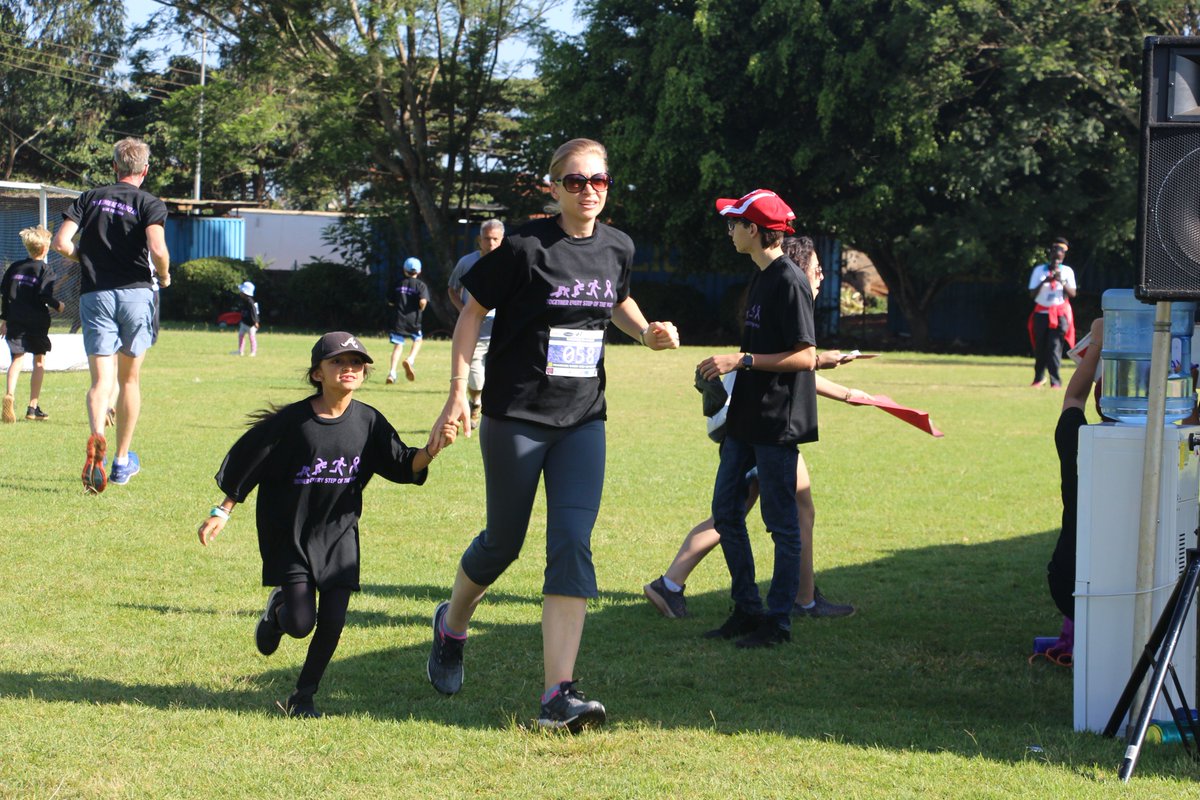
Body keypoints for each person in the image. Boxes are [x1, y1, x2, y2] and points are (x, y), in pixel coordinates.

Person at [424, 138, 679, 732]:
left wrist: (646, 333)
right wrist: (459, 391)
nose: (588, 190)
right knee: (502, 544)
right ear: (553, 186)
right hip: (517, 416)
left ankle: (556, 694)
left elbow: (616, 299)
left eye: (598, 181)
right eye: (575, 180)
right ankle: (452, 623)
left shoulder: (619, 246)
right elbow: (469, 313)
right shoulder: (524, 246)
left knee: (571, 542)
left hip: (584, 418)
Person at [197, 332, 457, 718]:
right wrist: (223, 510)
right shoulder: (292, 422)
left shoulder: (369, 422)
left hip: (339, 536)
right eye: (338, 362)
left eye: (356, 363)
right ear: (317, 373)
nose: (349, 369)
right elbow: (250, 460)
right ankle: (278, 612)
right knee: (301, 623)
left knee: (334, 618)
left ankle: (303, 696)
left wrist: (432, 451)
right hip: (292, 533)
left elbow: (402, 464)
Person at [645, 236, 864, 620]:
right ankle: (677, 584)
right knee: (742, 513)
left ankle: (802, 595)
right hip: (765, 425)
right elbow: (785, 365)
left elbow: (793, 370)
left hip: (764, 423)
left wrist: (844, 391)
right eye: (816, 268)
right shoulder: (784, 292)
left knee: (787, 507)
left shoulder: (778, 292)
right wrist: (817, 362)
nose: (820, 276)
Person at [695, 189, 817, 649]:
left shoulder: (788, 279)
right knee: (726, 512)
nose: (730, 230)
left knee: (780, 522)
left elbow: (805, 356)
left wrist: (741, 361)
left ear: (755, 230)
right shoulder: (761, 276)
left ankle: (778, 621)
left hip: (775, 421)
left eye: (735, 223)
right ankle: (747, 608)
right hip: (745, 419)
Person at [51, 137, 171, 493]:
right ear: (144, 170)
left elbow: (60, 243)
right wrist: (163, 275)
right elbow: (157, 247)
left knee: (100, 381)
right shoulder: (150, 202)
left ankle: (96, 438)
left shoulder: (88, 198)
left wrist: (85, 259)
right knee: (130, 380)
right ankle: (120, 462)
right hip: (136, 294)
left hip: (95, 294)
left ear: (114, 167)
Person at [1, 225, 65, 423]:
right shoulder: (46, 270)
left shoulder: (14, 268)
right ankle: (32, 407)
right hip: (36, 320)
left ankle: (9, 395)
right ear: (45, 249)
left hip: (15, 319)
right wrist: (59, 305)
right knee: (39, 361)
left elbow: (4, 294)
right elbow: (44, 295)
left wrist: (3, 318)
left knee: (17, 359)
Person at [447, 219, 505, 426]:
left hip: (502, 326)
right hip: (477, 327)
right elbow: (452, 289)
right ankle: (476, 401)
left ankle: (495, 411)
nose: (491, 244)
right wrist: (465, 312)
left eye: (495, 239)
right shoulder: (467, 262)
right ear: (479, 240)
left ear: (502, 240)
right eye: (487, 239)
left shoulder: (510, 261)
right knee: (475, 373)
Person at [1027, 237, 1076, 388]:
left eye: (1061, 251)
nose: (1057, 253)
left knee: (1054, 347)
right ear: (1051, 252)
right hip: (1042, 312)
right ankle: (1038, 378)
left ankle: (1055, 380)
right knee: (1040, 346)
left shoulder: (1067, 271)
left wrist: (1061, 281)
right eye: (1055, 250)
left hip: (1059, 314)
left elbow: (1073, 294)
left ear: (1064, 254)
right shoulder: (1039, 270)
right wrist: (1045, 281)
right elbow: (1032, 294)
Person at [386, 257, 429, 384]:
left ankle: (392, 373)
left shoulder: (398, 283)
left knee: (398, 346)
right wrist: (422, 307)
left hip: (398, 320)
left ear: (404, 270)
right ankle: (410, 360)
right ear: (419, 271)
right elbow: (422, 301)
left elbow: (390, 301)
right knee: (418, 339)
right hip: (413, 320)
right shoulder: (421, 285)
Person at [234, 281, 260, 357]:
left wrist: (256, 321)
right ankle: (240, 351)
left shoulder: (250, 302)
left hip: (251, 324)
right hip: (244, 322)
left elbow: (254, 312)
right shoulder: (243, 301)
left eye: (241, 291)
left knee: (251, 337)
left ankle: (253, 352)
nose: (240, 293)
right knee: (241, 336)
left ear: (245, 292)